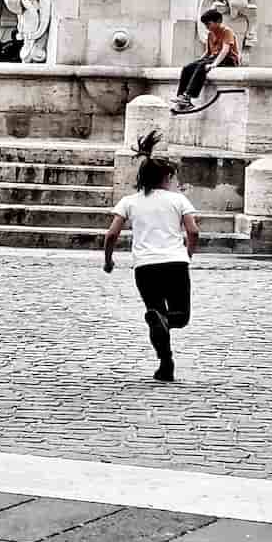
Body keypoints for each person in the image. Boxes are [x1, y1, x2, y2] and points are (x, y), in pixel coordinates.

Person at [103, 130, 199, 382]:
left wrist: (108, 260)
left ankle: (165, 363)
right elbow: (193, 230)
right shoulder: (178, 200)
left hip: (145, 267)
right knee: (180, 317)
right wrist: (188, 252)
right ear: (166, 177)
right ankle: (163, 322)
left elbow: (111, 234)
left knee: (155, 313)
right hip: (176, 264)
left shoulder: (129, 202)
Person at [171, 9, 239, 112]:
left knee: (201, 67)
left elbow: (226, 50)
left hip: (228, 59)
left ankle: (188, 96)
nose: (207, 27)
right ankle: (181, 96)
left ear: (218, 22)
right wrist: (196, 62)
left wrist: (214, 64)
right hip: (213, 57)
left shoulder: (226, 31)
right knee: (187, 68)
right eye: (205, 24)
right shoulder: (210, 34)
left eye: (209, 24)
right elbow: (208, 52)